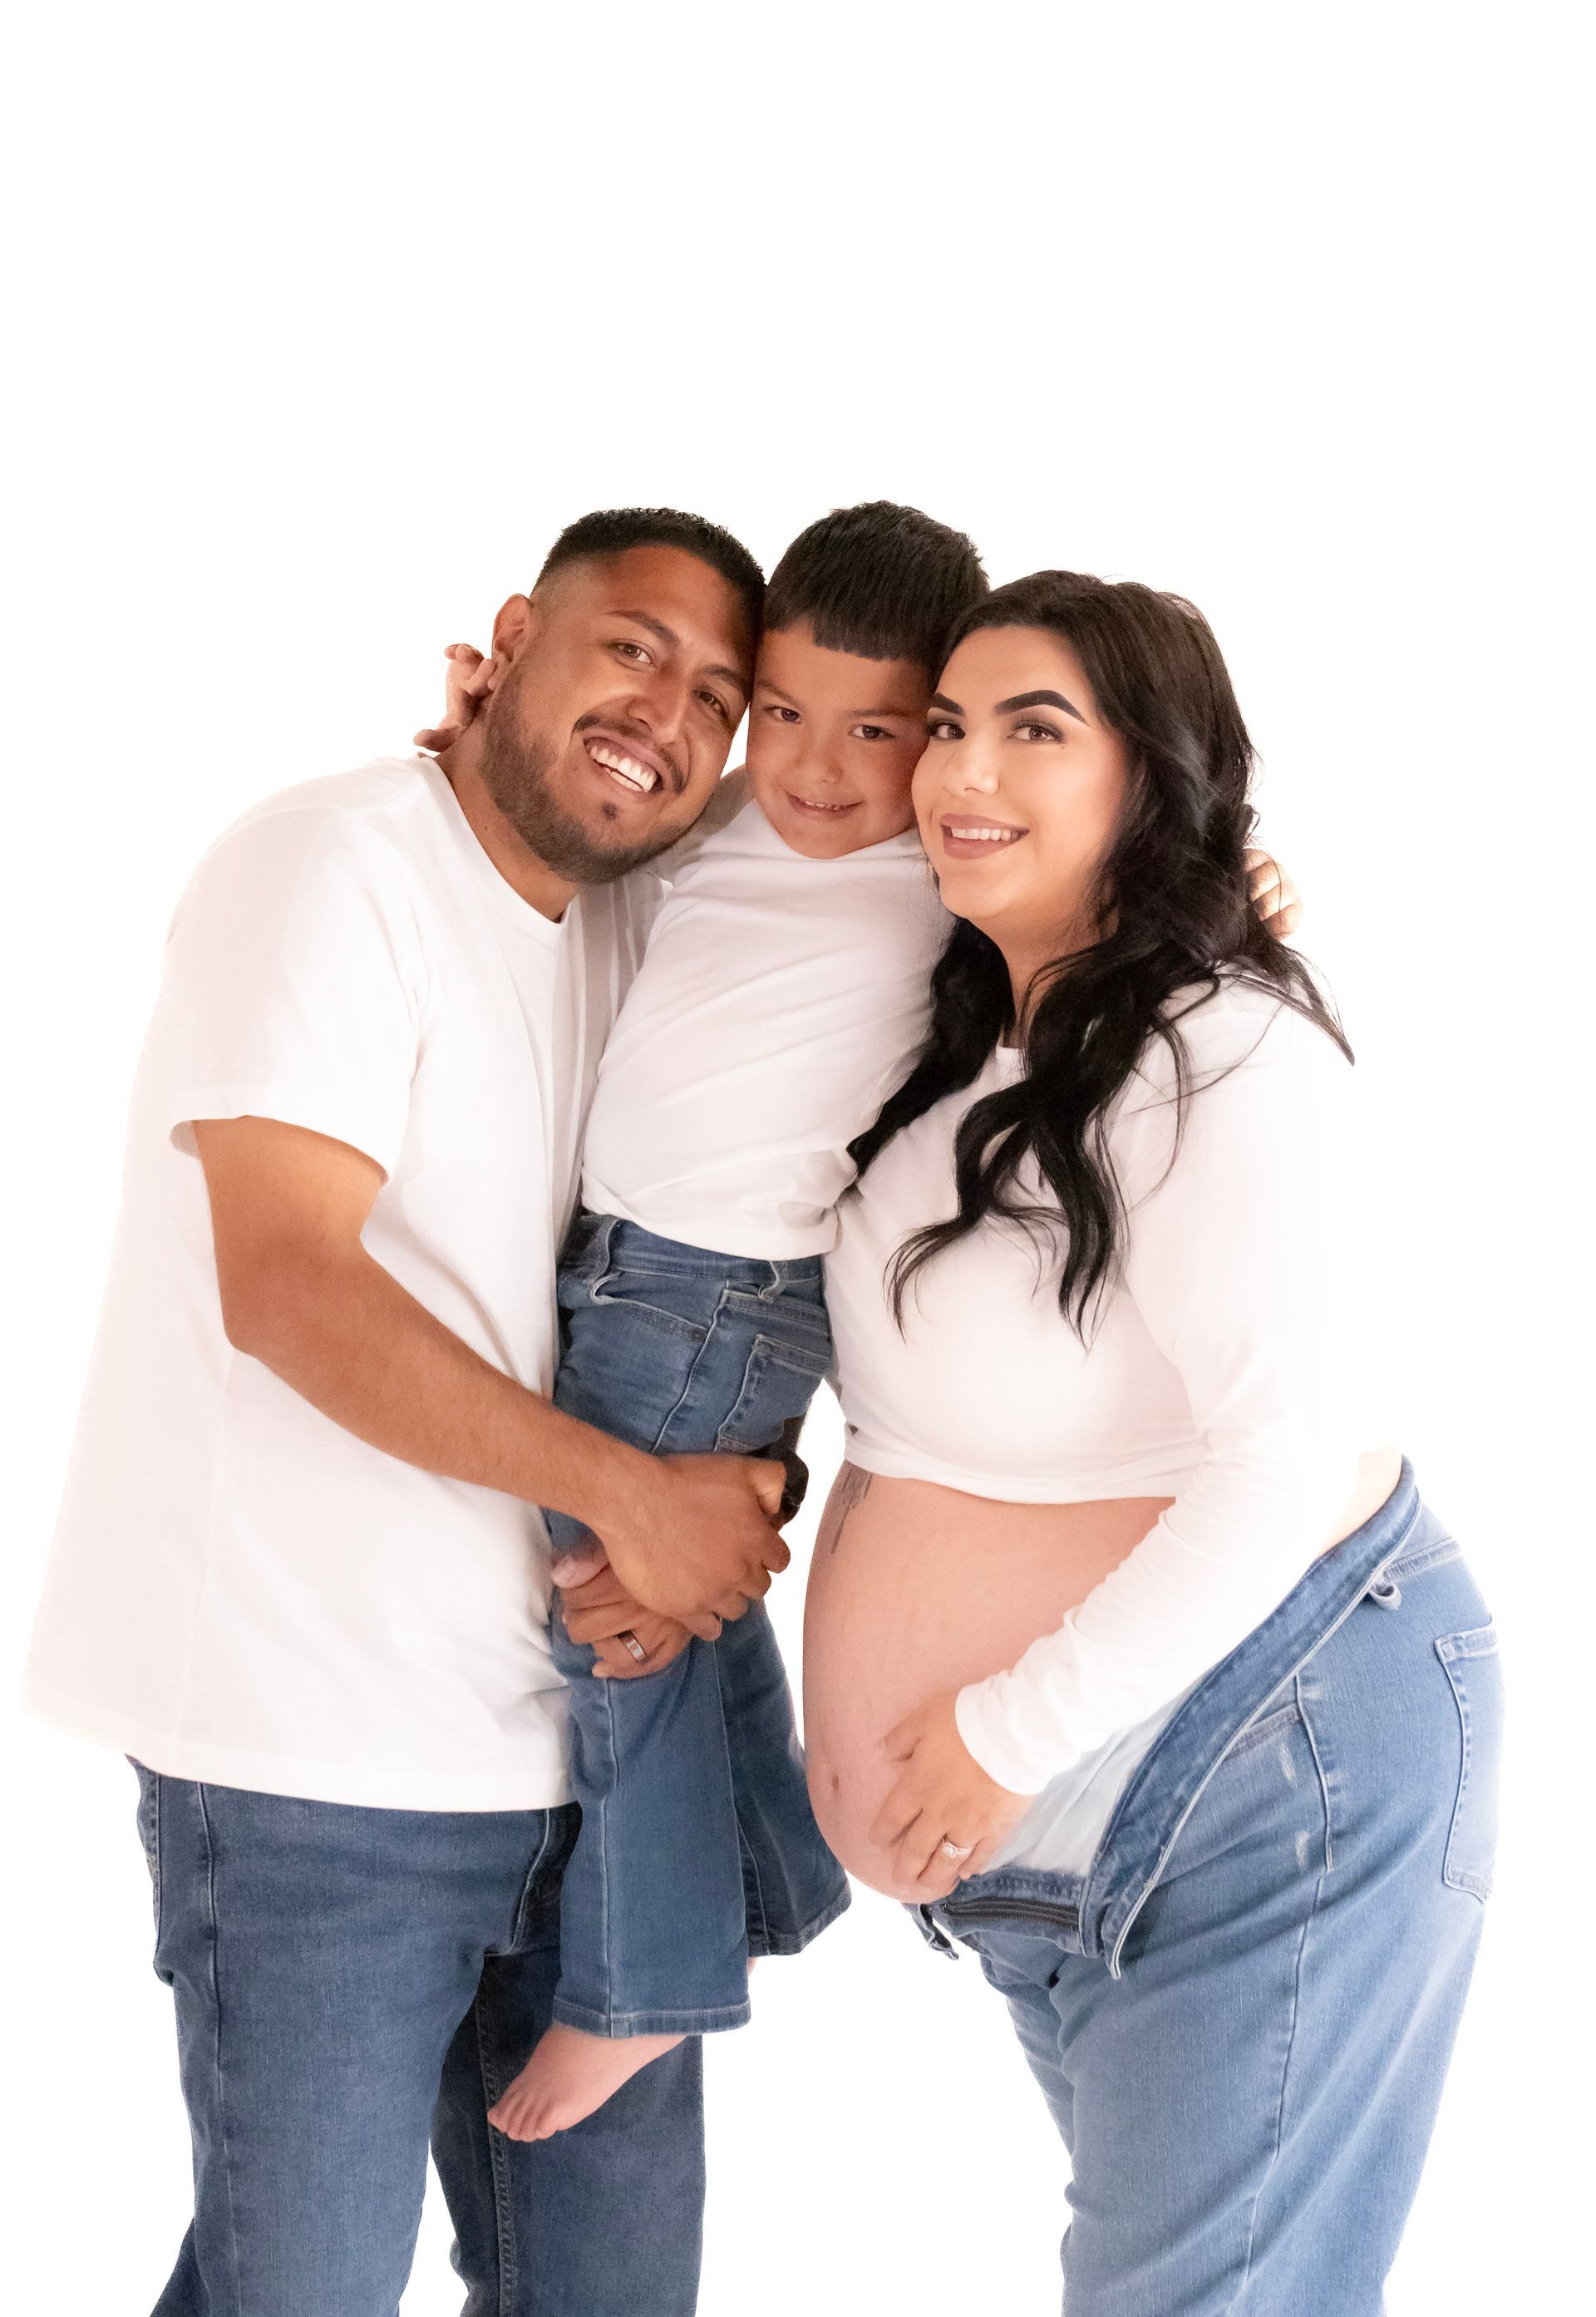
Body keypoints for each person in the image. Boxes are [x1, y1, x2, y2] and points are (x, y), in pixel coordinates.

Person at [22, 509, 791, 2317]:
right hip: (317, 1773)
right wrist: (632, 1491)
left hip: (585, 1767)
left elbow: (889, 833)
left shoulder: (637, 916)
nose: (663, 713)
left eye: (713, 695)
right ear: (510, 636)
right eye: (627, 649)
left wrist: (749, 1480)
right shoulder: (331, 864)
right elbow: (289, 1280)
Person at [801, 569, 1502, 2315]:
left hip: (1269, 1759)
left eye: (1037, 728)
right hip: (1103, 1821)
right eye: (949, 724)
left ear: (1154, 772)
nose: (964, 768)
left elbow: (1283, 1458)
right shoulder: (993, 1041)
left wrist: (995, 1730)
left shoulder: (1223, 1054)